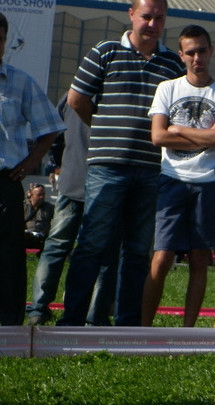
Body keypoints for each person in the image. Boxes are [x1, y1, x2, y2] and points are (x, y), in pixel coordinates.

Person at [58, 0, 184, 327]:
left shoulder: (173, 63)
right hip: (107, 166)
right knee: (91, 245)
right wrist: (104, 128)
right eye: (146, 16)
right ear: (131, 15)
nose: (152, 24)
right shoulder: (105, 51)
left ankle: (127, 324)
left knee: (138, 251)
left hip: (151, 169)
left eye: (159, 18)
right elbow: (76, 100)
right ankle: (72, 321)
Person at [141, 25, 215, 327]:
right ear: (181, 55)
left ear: (211, 50)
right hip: (172, 179)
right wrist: (206, 136)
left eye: (202, 50)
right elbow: (157, 137)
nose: (198, 57)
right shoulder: (167, 88)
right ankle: (143, 328)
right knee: (161, 257)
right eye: (191, 52)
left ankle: (188, 330)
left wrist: (179, 129)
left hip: (209, 182)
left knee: (199, 260)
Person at [26, 95, 118, 326]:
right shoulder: (116, 95)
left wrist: (60, 165)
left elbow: (55, 137)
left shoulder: (70, 97)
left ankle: (38, 307)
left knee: (55, 246)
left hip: (71, 180)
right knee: (102, 253)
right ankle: (94, 313)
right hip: (106, 184)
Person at [0, 13, 66, 326]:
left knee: (8, 258)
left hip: (4, 183)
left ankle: (9, 324)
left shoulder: (20, 82)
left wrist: (30, 162)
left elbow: (50, 128)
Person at [24, 184, 55, 250]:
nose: (42, 197)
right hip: (26, 237)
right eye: (39, 195)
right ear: (31, 195)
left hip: (42, 239)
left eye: (43, 194)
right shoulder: (23, 206)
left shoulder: (49, 208)